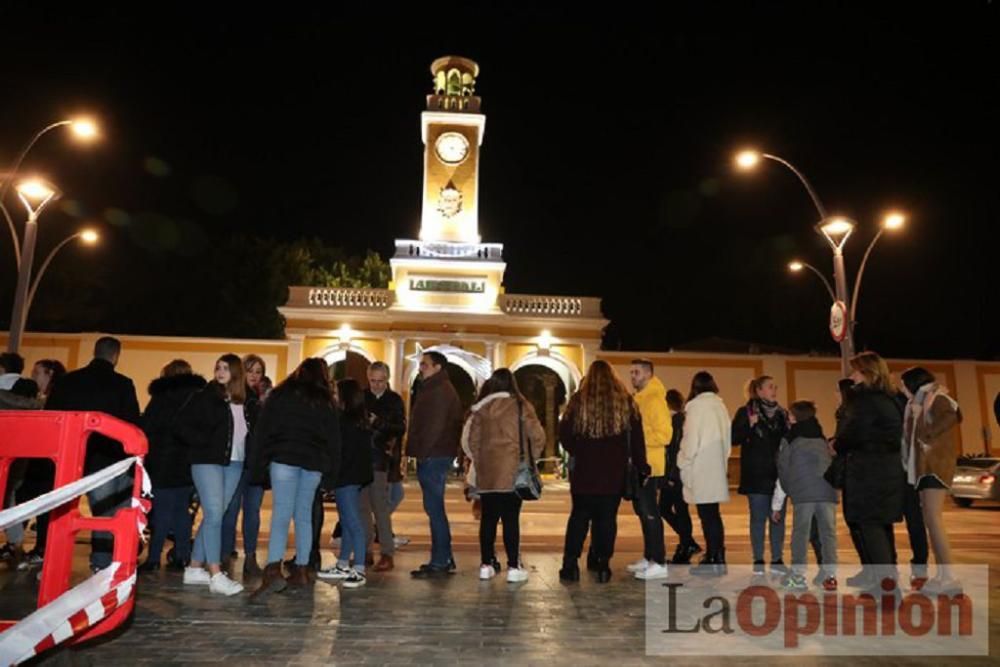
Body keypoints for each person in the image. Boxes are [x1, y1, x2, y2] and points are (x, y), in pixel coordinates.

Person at [45, 337, 141, 573]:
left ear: (94, 352)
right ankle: (105, 560)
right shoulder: (122, 384)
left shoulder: (68, 382)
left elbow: (51, 417)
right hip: (113, 457)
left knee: (68, 510)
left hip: (73, 455)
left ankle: (55, 560)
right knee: (111, 511)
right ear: (115, 356)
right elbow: (132, 421)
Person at [251, 358, 341, 600]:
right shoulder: (325, 401)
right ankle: (302, 568)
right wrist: (332, 474)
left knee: (281, 514)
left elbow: (264, 430)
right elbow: (334, 439)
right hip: (313, 463)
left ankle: (273, 569)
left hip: (284, 458)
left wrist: (259, 464)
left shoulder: (281, 395)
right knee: (303, 515)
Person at [175, 354, 258, 596]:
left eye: (226, 368)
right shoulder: (204, 396)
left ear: (235, 372)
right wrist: (203, 443)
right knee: (213, 514)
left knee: (216, 514)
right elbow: (180, 426)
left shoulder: (246, 401)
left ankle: (193, 568)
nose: (220, 372)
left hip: (235, 463)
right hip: (207, 462)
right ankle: (215, 574)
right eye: (218, 367)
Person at [558, 360, 648, 584]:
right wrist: (642, 466)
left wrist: (579, 449)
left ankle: (570, 565)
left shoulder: (579, 402)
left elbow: (565, 434)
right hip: (613, 472)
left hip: (584, 473)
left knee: (579, 517)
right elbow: (637, 440)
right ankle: (602, 564)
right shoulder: (626, 402)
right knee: (606, 519)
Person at [463, 369, 545, 582]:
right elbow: (537, 436)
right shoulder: (520, 406)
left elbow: (471, 441)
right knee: (511, 520)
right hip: (512, 472)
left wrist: (481, 462)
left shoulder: (481, 409)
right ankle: (513, 566)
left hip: (487, 474)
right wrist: (530, 458)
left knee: (488, 520)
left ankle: (486, 564)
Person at [836, 352, 904, 592]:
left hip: (869, 472)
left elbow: (851, 433)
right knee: (881, 527)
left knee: (871, 527)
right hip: (887, 469)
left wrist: (837, 443)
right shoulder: (891, 398)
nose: (851, 376)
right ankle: (886, 582)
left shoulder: (866, 401)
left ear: (867, 373)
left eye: (855, 371)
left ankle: (887, 589)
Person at [139, 360, 206, 573]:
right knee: (181, 512)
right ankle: (182, 556)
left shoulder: (160, 397)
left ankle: (153, 557)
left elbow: (146, 427)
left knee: (161, 512)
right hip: (187, 462)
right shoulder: (197, 397)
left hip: (161, 461)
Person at [901, 366, 962, 594]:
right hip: (924, 467)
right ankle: (943, 574)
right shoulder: (917, 403)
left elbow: (949, 419)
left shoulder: (938, 399)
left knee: (934, 520)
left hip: (935, 467)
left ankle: (949, 576)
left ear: (913, 383)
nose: (901, 388)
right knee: (930, 520)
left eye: (903, 383)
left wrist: (921, 423)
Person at [405, 351, 463, 578]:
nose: (421, 368)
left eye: (425, 365)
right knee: (434, 508)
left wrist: (422, 452)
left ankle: (440, 560)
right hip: (436, 453)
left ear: (438, 367)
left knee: (435, 509)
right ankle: (444, 556)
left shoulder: (438, 391)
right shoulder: (437, 388)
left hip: (433, 455)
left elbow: (434, 426)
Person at [773, 400, 838, 591]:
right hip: (826, 492)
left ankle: (798, 576)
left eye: (790, 414)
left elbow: (783, 469)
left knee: (801, 533)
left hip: (803, 494)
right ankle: (830, 576)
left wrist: (790, 490)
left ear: (795, 417)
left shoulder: (789, 439)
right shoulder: (821, 438)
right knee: (828, 534)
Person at [317, 379, 373, 588]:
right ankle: (343, 563)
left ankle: (358, 567)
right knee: (347, 521)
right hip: (354, 476)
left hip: (346, 477)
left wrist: (331, 476)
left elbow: (339, 453)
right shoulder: (359, 421)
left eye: (336, 393)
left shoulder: (343, 422)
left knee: (352, 521)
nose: (333, 396)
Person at [732, 375, 789, 575]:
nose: (774, 390)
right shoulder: (746, 411)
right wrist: (749, 424)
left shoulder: (783, 414)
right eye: (770, 386)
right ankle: (758, 559)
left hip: (778, 475)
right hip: (756, 474)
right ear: (759, 391)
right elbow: (734, 438)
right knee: (758, 518)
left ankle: (777, 559)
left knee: (778, 518)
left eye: (775, 386)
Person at [678, 371, 732, 576]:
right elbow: (727, 441)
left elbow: (691, 440)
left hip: (700, 467)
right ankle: (717, 555)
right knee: (713, 514)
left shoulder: (696, 408)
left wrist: (682, 460)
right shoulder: (720, 406)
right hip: (715, 465)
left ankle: (713, 558)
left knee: (706, 515)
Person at [221, 354, 269, 577]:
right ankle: (224, 553)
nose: (254, 376)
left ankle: (250, 557)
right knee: (230, 510)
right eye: (250, 370)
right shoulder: (235, 398)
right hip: (237, 460)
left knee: (252, 512)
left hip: (255, 463)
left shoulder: (262, 399)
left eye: (258, 372)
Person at [624, 359, 672, 581]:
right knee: (642, 511)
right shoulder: (639, 399)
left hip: (650, 465)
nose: (632, 376)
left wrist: (637, 441)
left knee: (650, 512)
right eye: (631, 372)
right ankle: (649, 556)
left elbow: (665, 435)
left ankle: (660, 561)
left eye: (636, 373)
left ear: (648, 374)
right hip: (639, 463)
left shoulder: (654, 399)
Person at [364, 361, 406, 572]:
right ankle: (365, 551)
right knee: (362, 509)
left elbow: (400, 428)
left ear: (387, 379)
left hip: (381, 460)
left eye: (381, 381)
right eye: (373, 381)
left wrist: (377, 423)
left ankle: (387, 553)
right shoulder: (361, 398)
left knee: (380, 508)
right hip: (361, 459)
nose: (376, 385)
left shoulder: (394, 400)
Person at [660, 389, 701, 564]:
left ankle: (687, 543)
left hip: (675, 474)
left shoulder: (676, 423)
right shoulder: (682, 421)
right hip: (680, 473)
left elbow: (674, 451)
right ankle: (687, 542)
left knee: (671, 509)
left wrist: (671, 475)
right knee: (674, 509)